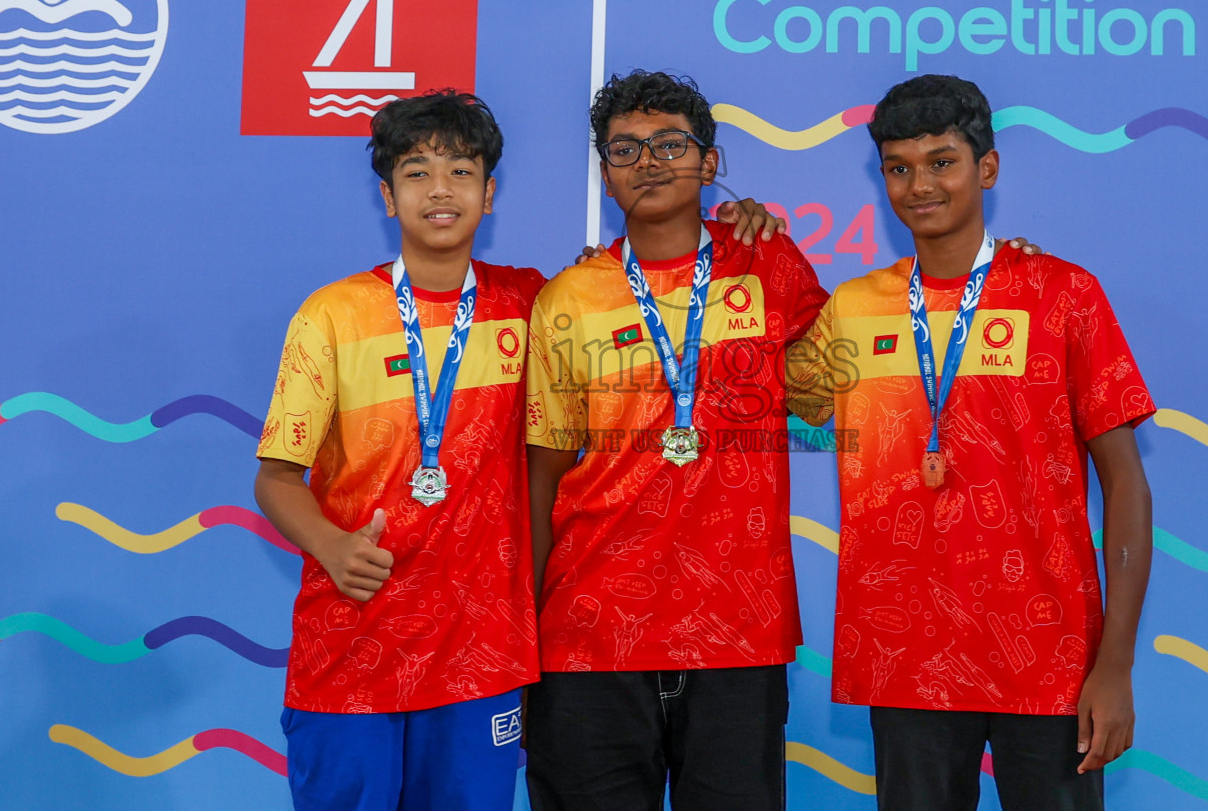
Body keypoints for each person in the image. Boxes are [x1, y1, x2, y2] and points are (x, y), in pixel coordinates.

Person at [786, 74, 1155, 811]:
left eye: (942, 161)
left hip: (1048, 656)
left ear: (987, 168)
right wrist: (742, 240)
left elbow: (1126, 484)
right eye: (898, 167)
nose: (919, 185)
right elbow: (777, 403)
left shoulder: (1063, 294)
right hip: (906, 656)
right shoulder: (853, 308)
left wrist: (1114, 667)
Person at [523, 70, 829, 811]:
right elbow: (542, 474)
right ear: (604, 175)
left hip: (737, 634)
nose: (650, 162)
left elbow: (832, 396)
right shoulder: (569, 297)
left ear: (710, 162)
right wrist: (523, 630)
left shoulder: (768, 266)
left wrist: (997, 256)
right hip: (589, 634)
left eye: (670, 144)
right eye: (625, 150)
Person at [253, 90, 543, 811]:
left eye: (461, 171)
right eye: (417, 172)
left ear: (489, 192)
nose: (440, 190)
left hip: (482, 657)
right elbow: (276, 476)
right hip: (354, 648)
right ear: (387, 196)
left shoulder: (536, 306)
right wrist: (330, 543)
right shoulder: (333, 315)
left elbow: (642, 287)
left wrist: (734, 230)